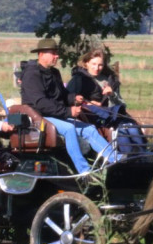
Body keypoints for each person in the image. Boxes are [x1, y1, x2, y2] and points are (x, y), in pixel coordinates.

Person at [20, 38, 118, 174]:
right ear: (41, 54)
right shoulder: (32, 74)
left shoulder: (54, 73)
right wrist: (68, 112)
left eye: (57, 52)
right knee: (69, 128)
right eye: (53, 53)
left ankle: (115, 160)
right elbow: (41, 103)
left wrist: (73, 98)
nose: (57, 56)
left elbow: (62, 94)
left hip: (54, 114)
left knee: (89, 129)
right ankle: (84, 171)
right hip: (38, 117)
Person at [67, 48, 146, 153]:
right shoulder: (78, 79)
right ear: (86, 64)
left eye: (100, 65)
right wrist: (86, 103)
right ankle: (124, 159)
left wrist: (112, 95)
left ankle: (142, 158)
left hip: (114, 114)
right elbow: (68, 98)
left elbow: (122, 105)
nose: (97, 68)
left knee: (132, 128)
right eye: (93, 64)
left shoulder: (110, 80)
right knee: (121, 132)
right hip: (93, 117)